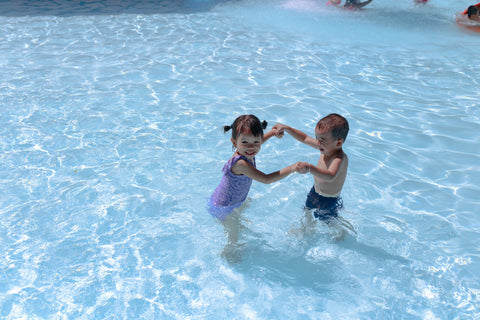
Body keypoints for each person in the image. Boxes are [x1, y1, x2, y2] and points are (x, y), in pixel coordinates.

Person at [208, 114, 304, 221]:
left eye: (256, 142)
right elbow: (266, 179)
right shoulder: (240, 163)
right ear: (234, 143)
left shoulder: (247, 151)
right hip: (224, 208)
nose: (251, 147)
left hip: (233, 201)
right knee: (234, 236)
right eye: (244, 142)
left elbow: (257, 142)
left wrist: (273, 133)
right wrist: (293, 168)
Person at [273, 113, 349, 223]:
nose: (317, 142)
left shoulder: (339, 158)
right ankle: (305, 229)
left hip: (328, 199)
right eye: (317, 138)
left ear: (338, 143)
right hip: (315, 192)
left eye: (321, 140)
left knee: (329, 223)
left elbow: (330, 176)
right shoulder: (325, 147)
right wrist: (287, 128)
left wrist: (309, 168)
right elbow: (304, 138)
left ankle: (340, 235)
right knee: (307, 211)